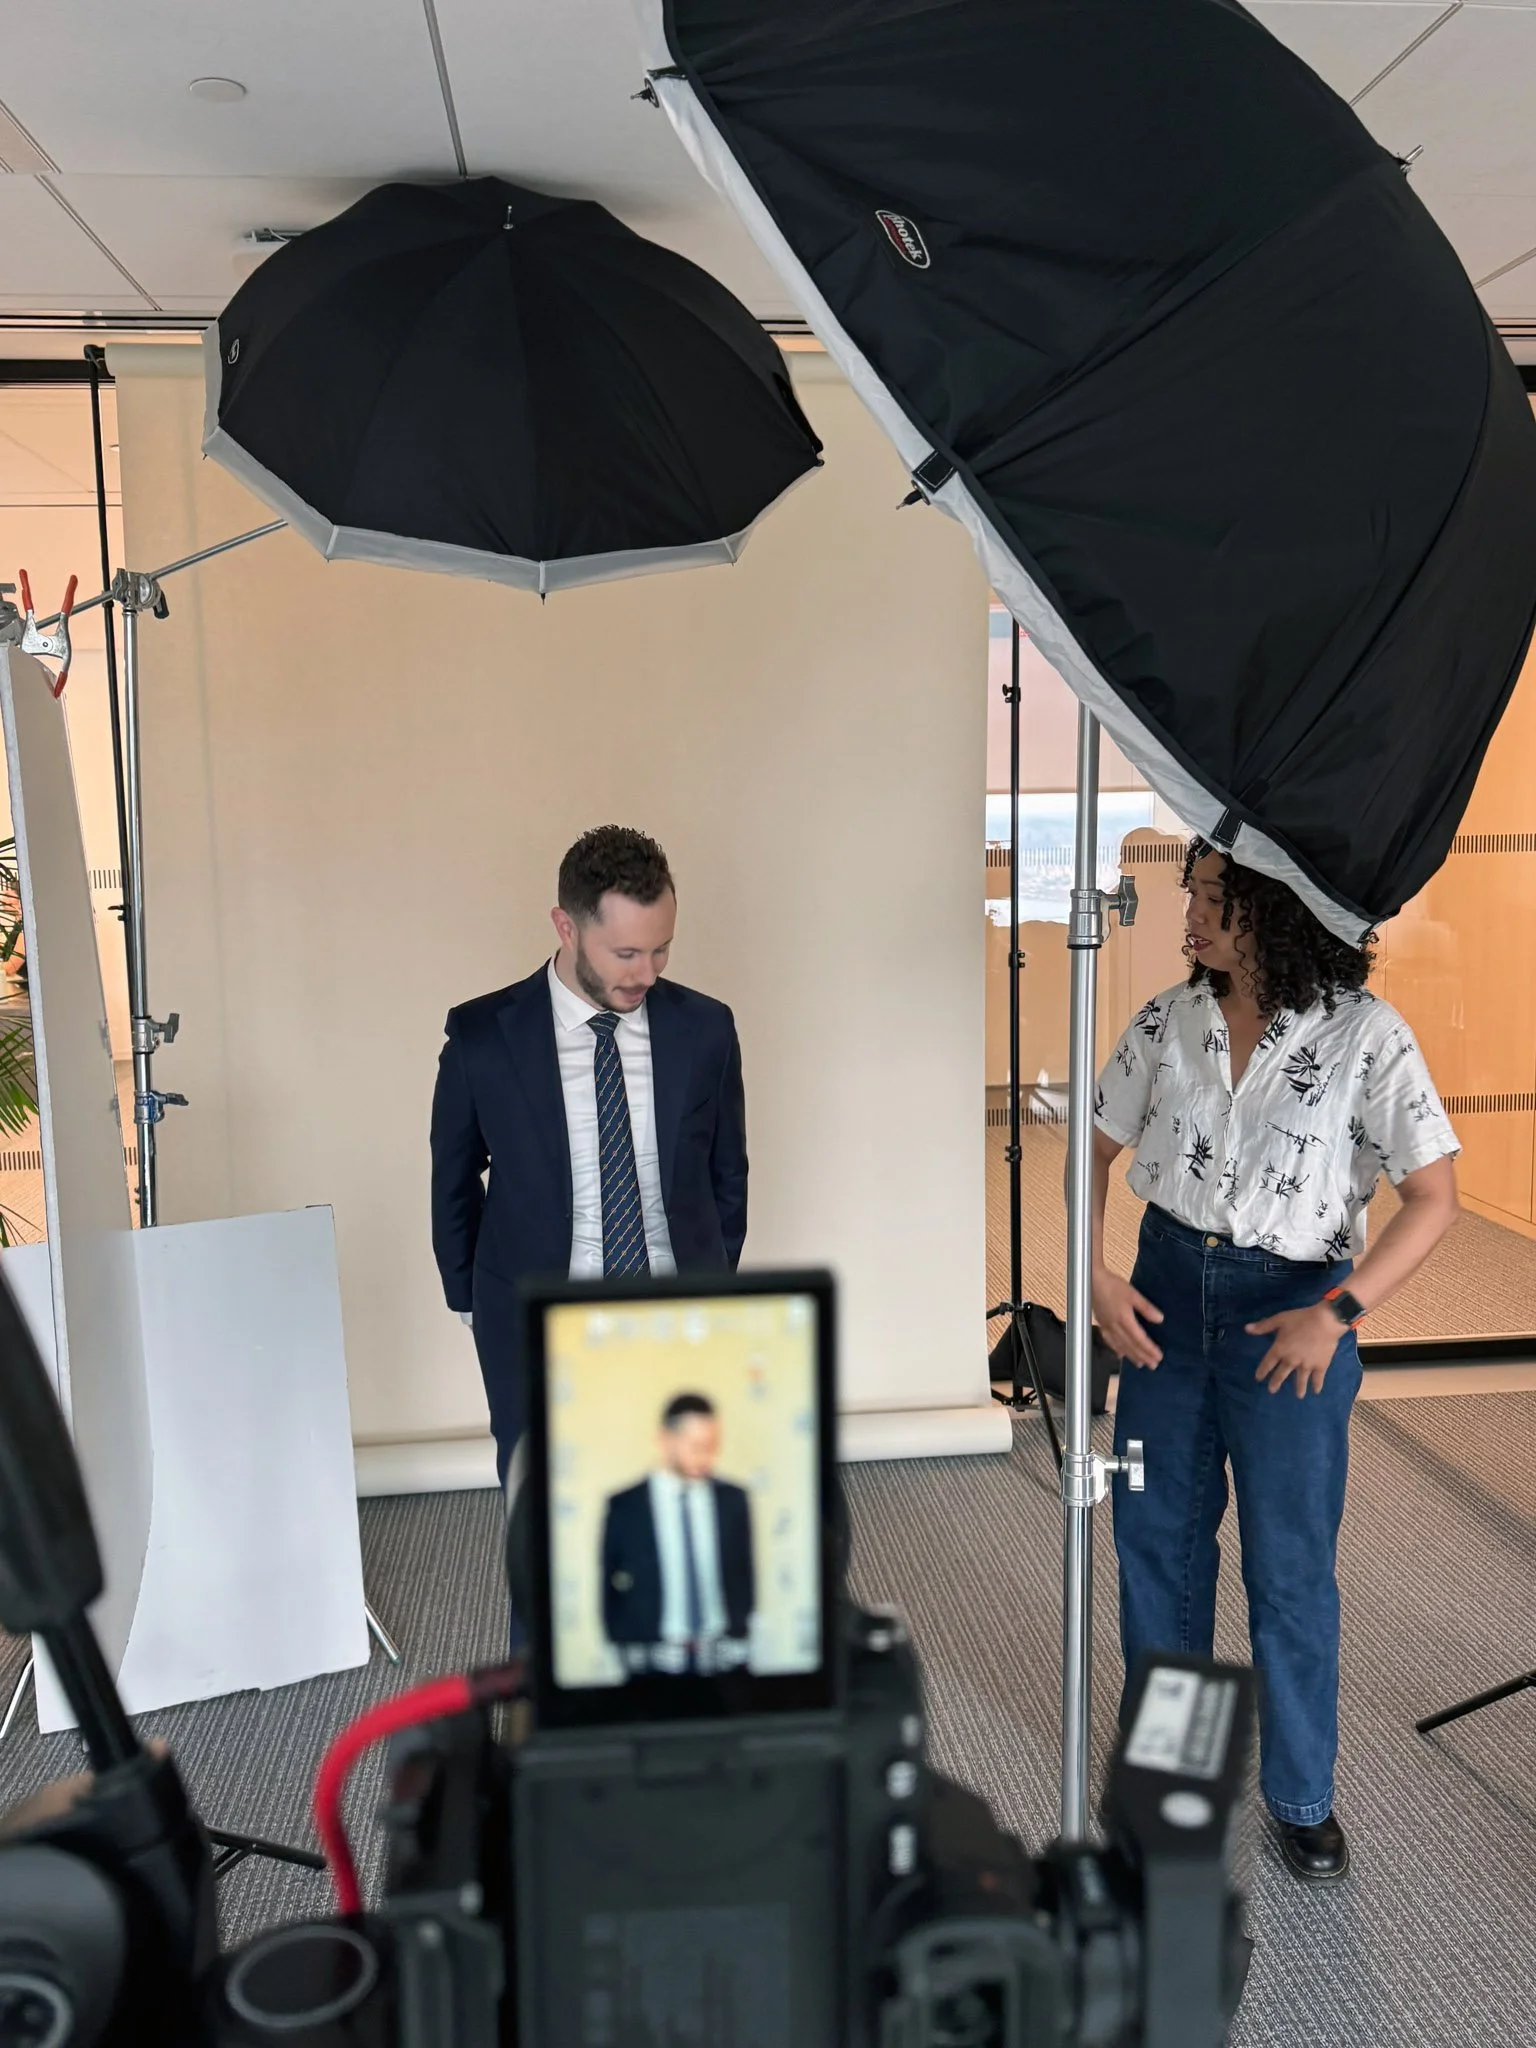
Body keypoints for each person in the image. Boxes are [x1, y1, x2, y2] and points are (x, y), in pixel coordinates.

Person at [1092, 841, 1459, 1885]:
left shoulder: (1366, 1035)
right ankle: (1172, 1784)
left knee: (1288, 1566)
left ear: (1276, 911)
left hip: (1292, 1312)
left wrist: (1336, 1313)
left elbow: (1434, 1199)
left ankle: (1302, 1797)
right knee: (1157, 1540)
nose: (1190, 915)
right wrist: (1095, 1276)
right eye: (1193, 895)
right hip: (1164, 1293)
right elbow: (1096, 1150)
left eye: (1213, 899)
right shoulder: (1169, 1017)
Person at [430, 827, 748, 1496]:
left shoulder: (706, 1028)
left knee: (680, 1503)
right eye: (626, 952)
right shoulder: (483, 1037)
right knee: (547, 1514)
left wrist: (713, 1278)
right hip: (537, 1313)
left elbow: (727, 1169)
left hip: (675, 1310)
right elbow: (454, 1177)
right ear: (566, 928)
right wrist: (468, 1298)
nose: (646, 974)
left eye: (662, 949)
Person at [601, 1392, 756, 1675]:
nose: (706, 1456)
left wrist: (741, 1632)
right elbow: (608, 1584)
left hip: (723, 1654)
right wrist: (625, 1645)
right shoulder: (626, 1507)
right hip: (653, 1658)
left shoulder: (733, 1501)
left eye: (712, 1446)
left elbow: (744, 1571)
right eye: (696, 1446)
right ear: (666, 1440)